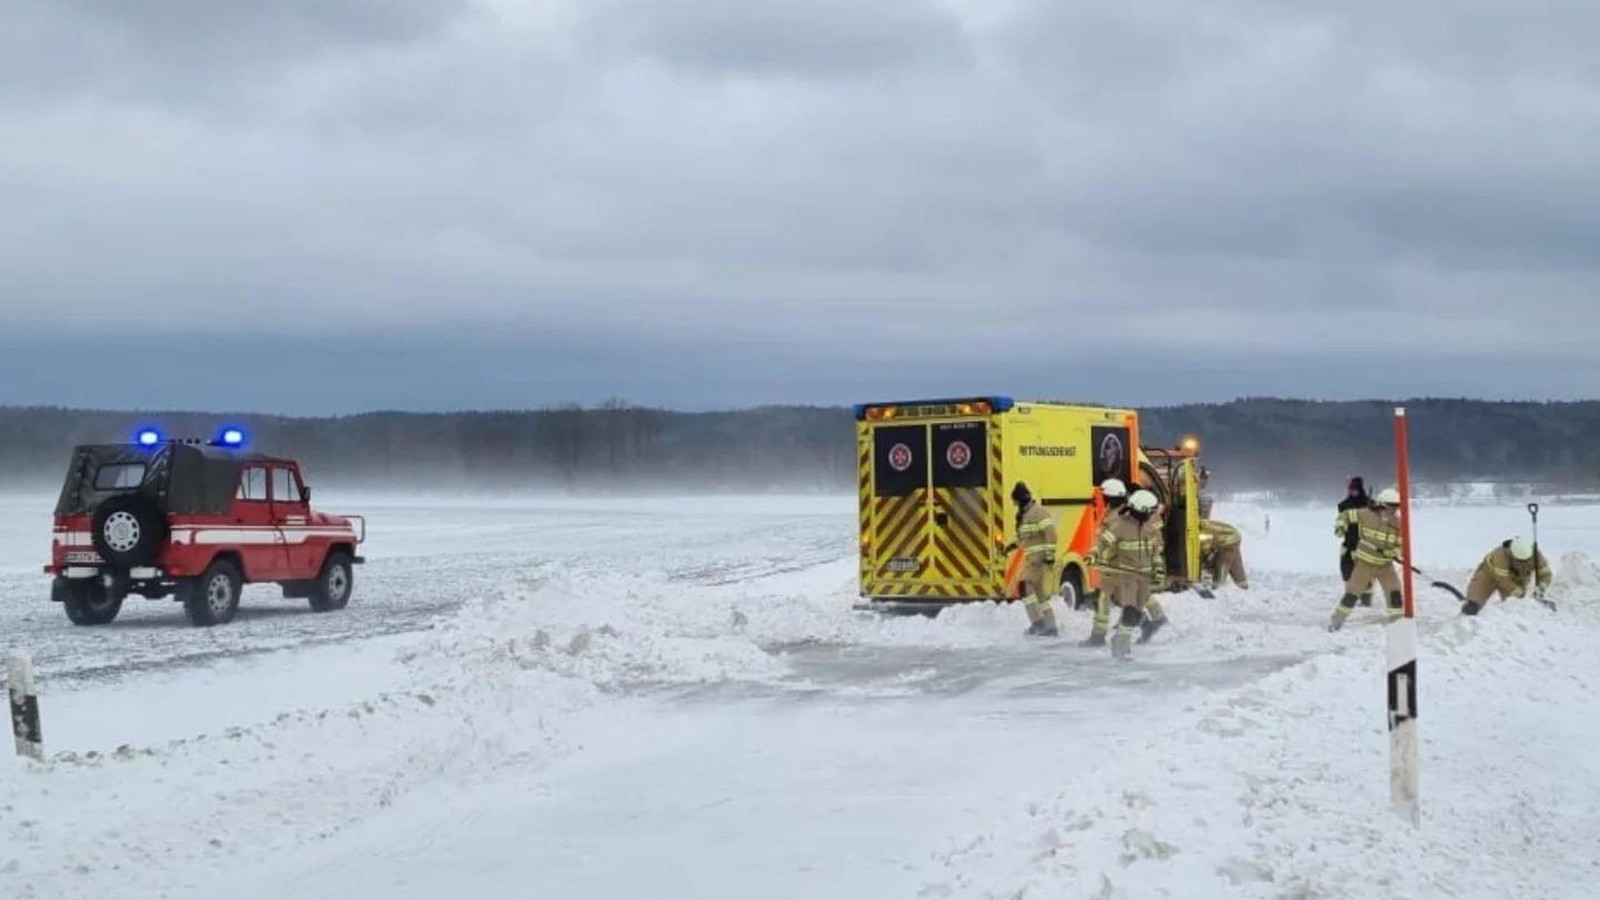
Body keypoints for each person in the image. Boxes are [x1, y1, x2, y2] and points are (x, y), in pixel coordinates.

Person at [1083, 489, 1166, 658]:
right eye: (1149, 511)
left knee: (1135, 614)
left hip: (1143, 579)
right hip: (1127, 579)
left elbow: (1154, 551)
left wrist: (1158, 568)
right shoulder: (1120, 526)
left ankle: (1123, 643)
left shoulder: (1147, 528)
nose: (1151, 515)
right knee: (1129, 612)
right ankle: (1121, 648)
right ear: (1140, 510)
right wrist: (1093, 554)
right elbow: (1103, 542)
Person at [1328, 486, 1404, 631]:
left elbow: (1401, 544)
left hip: (1385, 566)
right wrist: (1340, 526)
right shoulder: (1366, 514)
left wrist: (1394, 552)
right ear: (1381, 505)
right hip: (1365, 564)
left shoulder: (1398, 523)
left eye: (1396, 507)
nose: (1393, 511)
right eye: (1390, 507)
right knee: (1352, 593)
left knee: (1395, 593)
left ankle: (1398, 622)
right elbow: (1345, 515)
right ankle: (1337, 621)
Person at [1012, 481, 1060, 637]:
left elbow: (1051, 534)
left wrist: (1049, 556)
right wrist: (1008, 547)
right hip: (1032, 559)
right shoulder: (1025, 516)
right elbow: (1023, 538)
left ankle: (1038, 623)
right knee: (1040, 596)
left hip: (1039, 560)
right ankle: (1050, 626)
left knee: (1024, 586)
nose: (1015, 505)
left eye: (1016, 502)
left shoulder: (1038, 512)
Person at [1461, 536, 1553, 615]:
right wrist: (1515, 590)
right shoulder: (1500, 555)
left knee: (1517, 606)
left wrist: (1541, 589)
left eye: (1525, 561)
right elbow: (1502, 579)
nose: (1522, 563)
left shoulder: (1537, 556)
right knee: (1474, 602)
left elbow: (1545, 575)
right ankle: (1470, 610)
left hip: (1517, 577)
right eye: (1519, 560)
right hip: (1489, 574)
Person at [1335, 476, 1374, 606]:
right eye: (1351, 490)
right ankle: (1350, 596)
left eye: (1355, 490)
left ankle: (1366, 599)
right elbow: (1340, 523)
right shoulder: (1344, 505)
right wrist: (1340, 528)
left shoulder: (1370, 504)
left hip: (1366, 544)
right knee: (1347, 571)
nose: (1352, 492)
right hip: (1349, 544)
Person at [1198, 497, 1248, 589]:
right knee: (1236, 566)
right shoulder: (1203, 524)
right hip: (1233, 537)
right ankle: (1243, 585)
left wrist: (1206, 559)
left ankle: (1219, 586)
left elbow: (1205, 546)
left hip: (1227, 542)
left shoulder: (1201, 528)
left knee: (1222, 565)